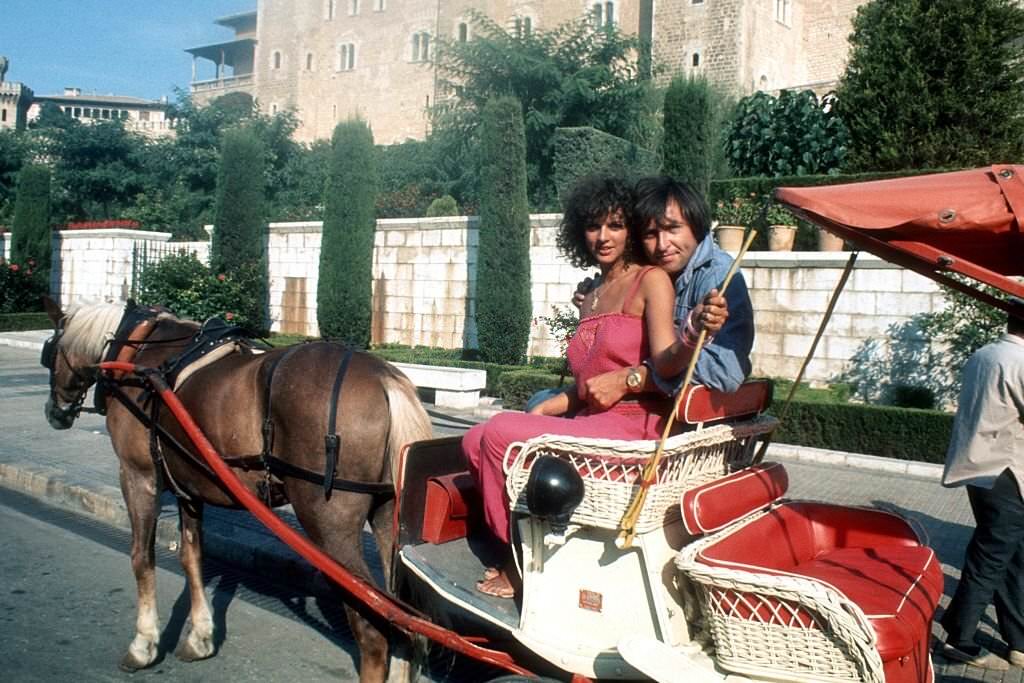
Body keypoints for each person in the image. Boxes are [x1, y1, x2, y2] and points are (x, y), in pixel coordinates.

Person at [464, 176, 724, 598]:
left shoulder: (650, 280)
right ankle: (521, 537)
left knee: (495, 434)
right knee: (474, 438)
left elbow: (666, 361)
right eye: (592, 226)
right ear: (578, 233)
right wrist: (545, 410)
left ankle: (514, 559)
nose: (603, 237)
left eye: (616, 225)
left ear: (631, 230)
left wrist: (693, 332)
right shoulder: (591, 295)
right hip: (589, 419)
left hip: (633, 427)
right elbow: (587, 384)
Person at [529, 176, 754, 413]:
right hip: (614, 401)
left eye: (673, 229)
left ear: (697, 227)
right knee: (539, 400)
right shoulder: (652, 269)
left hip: (669, 415)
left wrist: (632, 378)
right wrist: (597, 302)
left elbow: (726, 370)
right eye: (650, 234)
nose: (662, 245)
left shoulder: (718, 276)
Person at [937, 299, 1024, 671]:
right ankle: (960, 639)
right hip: (1006, 471)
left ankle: (1018, 639)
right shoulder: (1021, 361)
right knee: (991, 558)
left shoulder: (984, 354)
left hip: (980, 469)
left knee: (1012, 557)